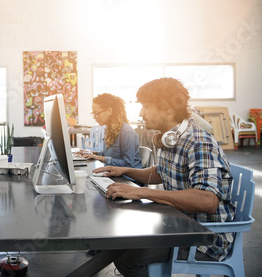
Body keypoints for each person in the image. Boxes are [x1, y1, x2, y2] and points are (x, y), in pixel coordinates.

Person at [92, 78, 235, 276]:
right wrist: (126, 171)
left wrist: (141, 192)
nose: (141, 113)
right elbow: (162, 171)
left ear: (167, 109)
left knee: (127, 259)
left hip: (203, 239)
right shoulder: (170, 137)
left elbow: (207, 200)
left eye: (146, 106)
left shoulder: (199, 142)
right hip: (179, 226)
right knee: (120, 240)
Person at [76, 93, 142, 168]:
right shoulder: (109, 129)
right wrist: (91, 153)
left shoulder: (126, 132)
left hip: (127, 178)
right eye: (93, 113)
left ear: (110, 111)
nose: (94, 117)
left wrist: (99, 158)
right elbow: (108, 154)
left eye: (96, 113)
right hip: (113, 173)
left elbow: (128, 164)